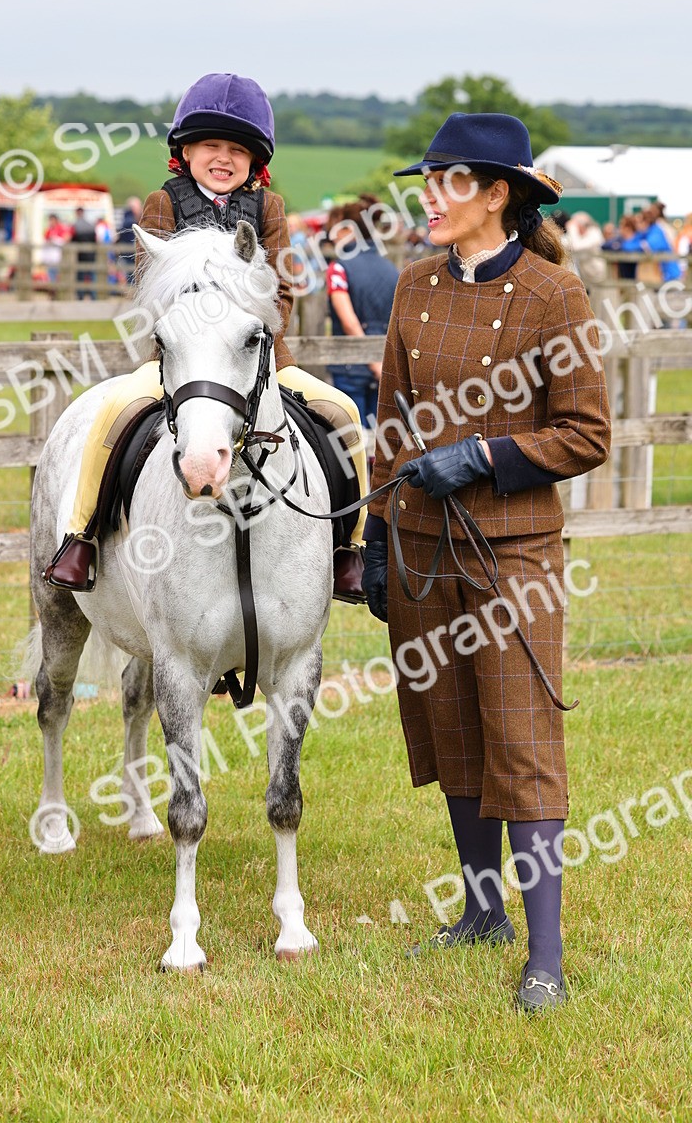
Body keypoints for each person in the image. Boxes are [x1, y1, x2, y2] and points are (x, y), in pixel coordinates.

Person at [361, 113, 611, 1013]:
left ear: (496, 194)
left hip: (513, 557)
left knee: (522, 738)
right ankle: (481, 911)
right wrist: (378, 538)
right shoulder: (414, 286)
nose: (427, 197)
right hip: (424, 549)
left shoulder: (554, 294)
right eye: (425, 180)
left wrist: (485, 457)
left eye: (446, 182)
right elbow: (390, 422)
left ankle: (544, 955)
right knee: (451, 728)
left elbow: (586, 433)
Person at [44, 73, 368, 601]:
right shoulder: (162, 203)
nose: (223, 158)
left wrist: (251, 333)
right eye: (211, 146)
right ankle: (81, 538)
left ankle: (348, 549)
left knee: (344, 415)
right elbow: (151, 288)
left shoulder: (270, 209)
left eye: (237, 149)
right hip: (178, 359)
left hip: (259, 358)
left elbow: (283, 288)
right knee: (111, 414)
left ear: (254, 160)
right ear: (186, 150)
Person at [324, 195, 400, 429]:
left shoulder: (338, 268)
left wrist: (371, 361)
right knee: (379, 442)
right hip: (384, 365)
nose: (331, 236)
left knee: (350, 442)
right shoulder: (392, 270)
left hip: (351, 366)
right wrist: (381, 365)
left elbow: (349, 323)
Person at [70, 208, 97, 300]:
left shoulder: (75, 226)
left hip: (80, 256)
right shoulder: (91, 225)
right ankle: (93, 296)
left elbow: (72, 240)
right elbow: (95, 240)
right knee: (91, 276)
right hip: (91, 255)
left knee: (80, 276)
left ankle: (80, 296)